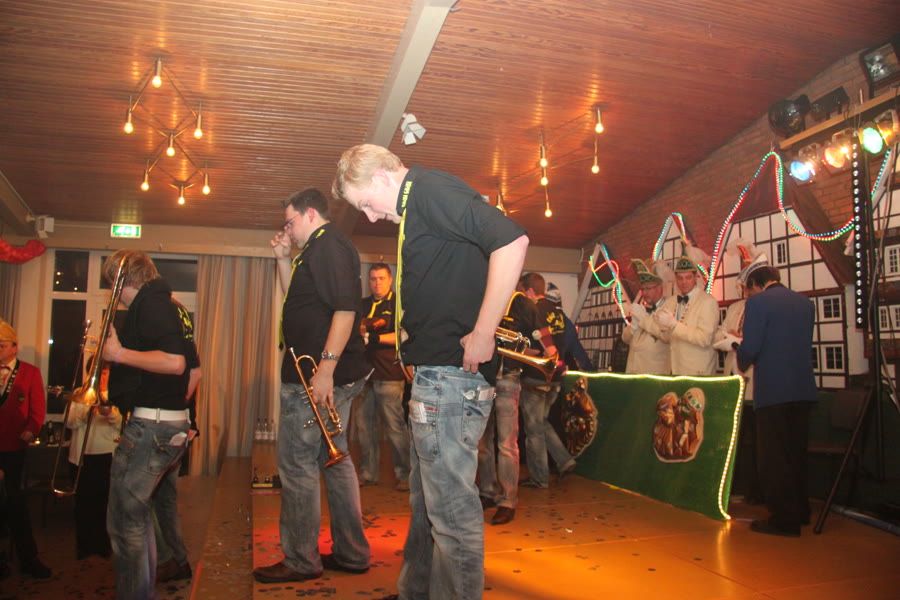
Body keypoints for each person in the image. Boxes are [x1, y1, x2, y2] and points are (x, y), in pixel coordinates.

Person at [333, 143, 528, 600]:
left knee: (451, 511)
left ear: (381, 177)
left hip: (450, 376)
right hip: (437, 375)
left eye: (366, 203)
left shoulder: (429, 191)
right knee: (427, 503)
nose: (372, 216)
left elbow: (512, 240)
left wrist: (485, 331)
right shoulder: (420, 201)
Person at [252, 187, 371, 584]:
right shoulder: (314, 251)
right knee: (335, 461)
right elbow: (296, 303)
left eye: (289, 223)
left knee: (296, 465)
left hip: (314, 378)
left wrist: (325, 370)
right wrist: (283, 260)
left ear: (309, 215)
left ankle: (301, 560)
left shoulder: (328, 245)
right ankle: (351, 553)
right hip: (319, 374)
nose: (287, 230)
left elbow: (346, 310)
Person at [100, 249, 191, 600]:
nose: (113, 294)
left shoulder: (152, 305)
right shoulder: (159, 304)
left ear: (122, 280)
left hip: (152, 425)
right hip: (163, 423)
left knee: (125, 524)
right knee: (137, 520)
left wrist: (117, 354)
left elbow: (175, 363)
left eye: (112, 284)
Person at [735, 265, 818, 537]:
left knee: (774, 458)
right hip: (803, 388)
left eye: (749, 290)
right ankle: (801, 511)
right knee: (796, 454)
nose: (749, 294)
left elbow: (752, 346)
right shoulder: (805, 303)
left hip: (774, 389)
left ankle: (784, 520)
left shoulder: (758, 303)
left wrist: (739, 355)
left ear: (755, 285)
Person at [478, 290, 555, 526]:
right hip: (482, 376)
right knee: (482, 442)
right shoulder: (481, 295)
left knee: (507, 443)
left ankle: (508, 500)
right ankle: (487, 491)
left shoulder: (520, 302)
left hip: (508, 376)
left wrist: (548, 352)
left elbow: (541, 333)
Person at [713, 241, 767, 503]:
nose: (746, 289)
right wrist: (729, 337)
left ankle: (756, 491)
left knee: (758, 441)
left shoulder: (766, 307)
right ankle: (733, 487)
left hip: (756, 384)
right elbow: (717, 334)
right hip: (734, 379)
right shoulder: (735, 308)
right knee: (734, 440)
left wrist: (743, 340)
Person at [153, 298, 201, 583]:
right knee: (164, 500)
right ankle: (176, 560)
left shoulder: (167, 345)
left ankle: (166, 559)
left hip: (165, 425)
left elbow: (193, 375)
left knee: (142, 501)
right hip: (179, 422)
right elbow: (196, 374)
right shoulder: (186, 342)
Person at [0, 319, 51, 579]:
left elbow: (38, 410)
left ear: (14, 347)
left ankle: (28, 559)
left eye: (1, 345)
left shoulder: (29, 372)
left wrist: (32, 429)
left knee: (15, 503)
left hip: (13, 448)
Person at [354, 263, 410, 491]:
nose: (377, 283)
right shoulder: (362, 305)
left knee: (395, 428)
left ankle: (405, 474)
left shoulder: (398, 304)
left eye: (381, 278)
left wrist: (374, 339)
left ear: (390, 280)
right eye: (373, 279)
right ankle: (368, 473)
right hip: (363, 375)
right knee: (364, 427)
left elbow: (404, 336)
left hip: (389, 374)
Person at [518, 272, 576, 489]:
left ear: (529, 291)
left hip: (536, 376)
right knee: (541, 422)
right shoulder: (558, 312)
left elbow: (538, 341)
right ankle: (564, 460)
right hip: (557, 376)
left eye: (521, 292)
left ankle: (539, 477)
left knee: (533, 430)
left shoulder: (533, 310)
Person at [66, 361, 121, 560]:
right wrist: (86, 410)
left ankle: (103, 545)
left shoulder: (117, 395)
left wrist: (109, 412)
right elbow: (70, 422)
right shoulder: (80, 393)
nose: (101, 377)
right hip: (81, 456)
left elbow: (121, 425)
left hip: (105, 454)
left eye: (105, 373)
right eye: (97, 373)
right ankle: (83, 545)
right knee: (82, 503)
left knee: (103, 503)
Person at [655, 243, 719, 375]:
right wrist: (663, 328)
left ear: (695, 277)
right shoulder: (670, 302)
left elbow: (704, 339)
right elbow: (666, 339)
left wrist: (674, 325)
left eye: (688, 277)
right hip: (673, 371)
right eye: (680, 278)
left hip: (697, 372)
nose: (684, 282)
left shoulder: (707, 302)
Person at [622, 258, 672, 374]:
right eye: (643, 289)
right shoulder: (643, 309)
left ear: (659, 287)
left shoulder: (669, 309)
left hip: (654, 376)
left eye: (648, 288)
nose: (645, 293)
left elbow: (665, 336)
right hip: (633, 375)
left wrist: (644, 318)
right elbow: (625, 339)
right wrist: (633, 327)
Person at [545, 283, 594, 371]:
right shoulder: (568, 323)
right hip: (564, 367)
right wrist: (590, 371)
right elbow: (579, 352)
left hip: (552, 368)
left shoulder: (546, 319)